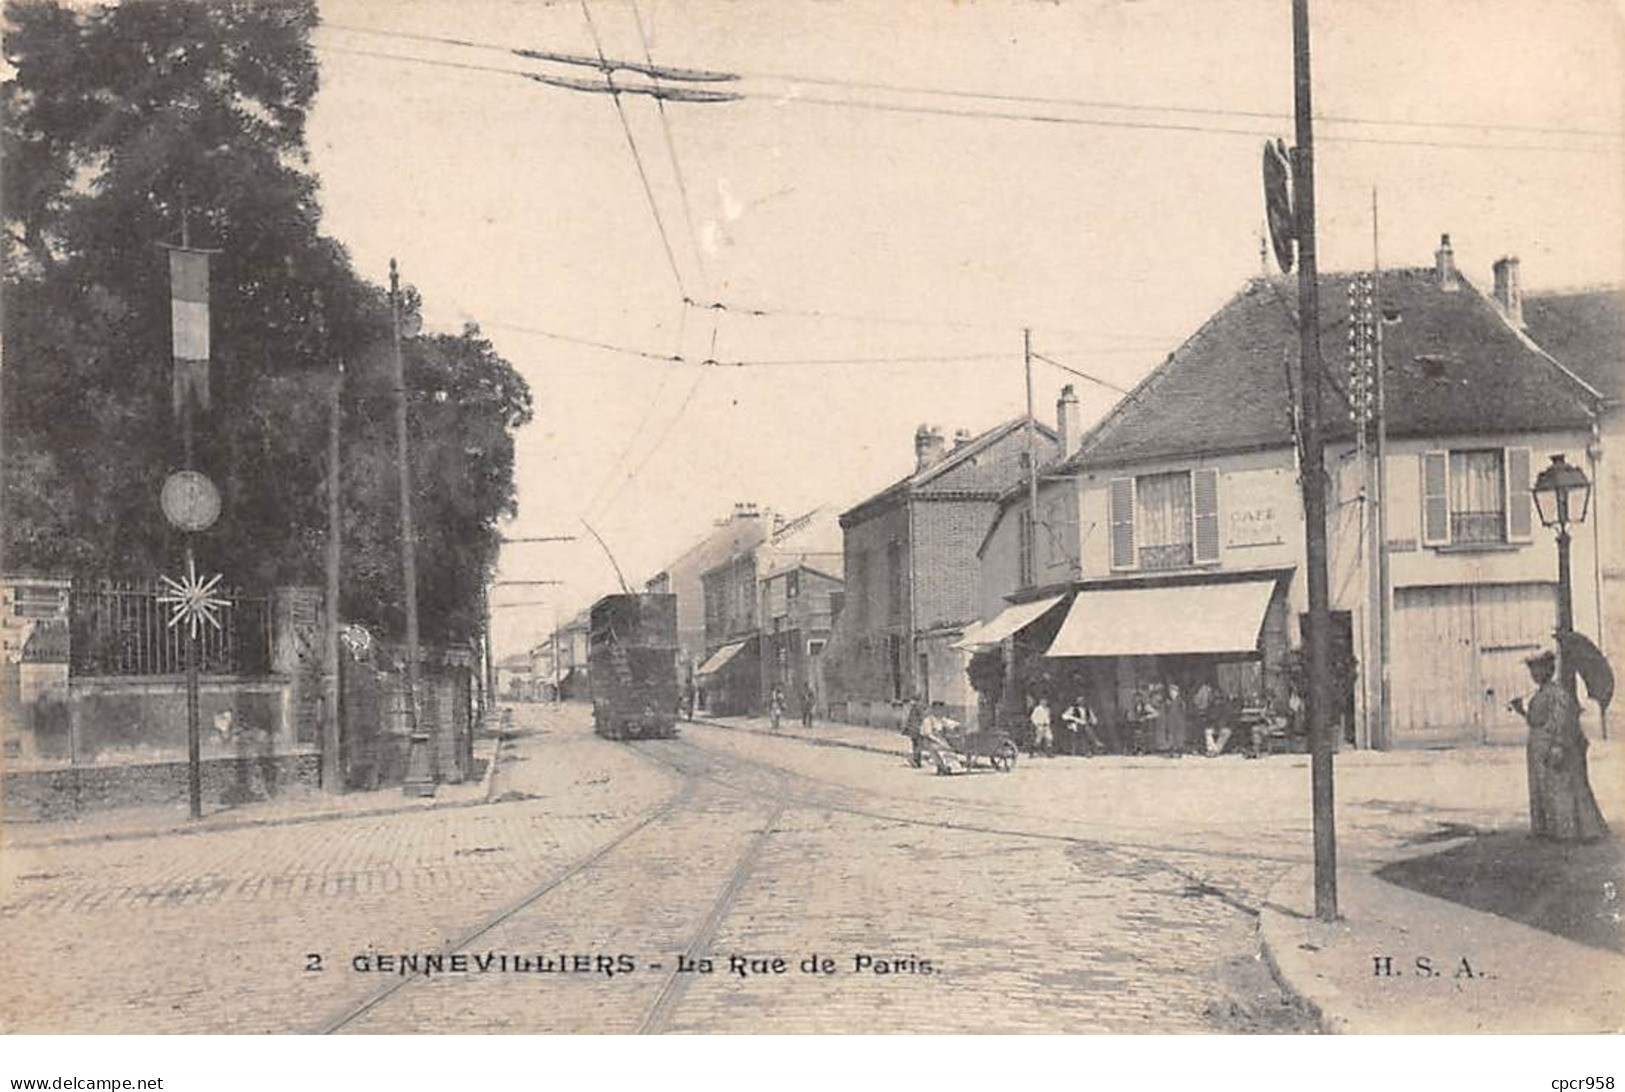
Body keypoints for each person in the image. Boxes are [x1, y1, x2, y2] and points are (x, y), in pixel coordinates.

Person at [1511, 651, 1609, 843]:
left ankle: (1567, 832)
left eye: (1539, 669)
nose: (1535, 674)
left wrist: (1558, 745)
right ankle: (1547, 829)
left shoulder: (1557, 693)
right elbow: (1535, 721)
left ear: (1550, 669)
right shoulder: (1541, 693)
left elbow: (1561, 721)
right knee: (1542, 789)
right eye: (1532, 670)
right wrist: (1521, 710)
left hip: (1552, 747)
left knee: (1560, 788)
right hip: (1538, 750)